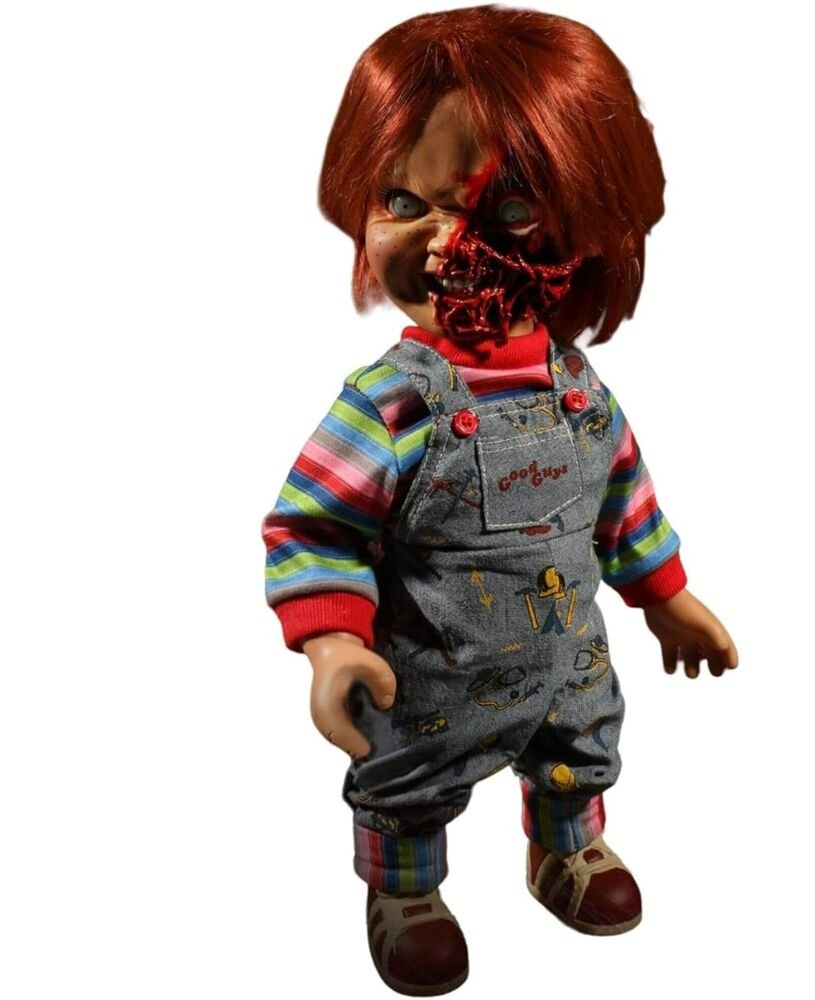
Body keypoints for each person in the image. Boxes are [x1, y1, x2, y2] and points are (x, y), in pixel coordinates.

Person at [262, 6, 738, 995]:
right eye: (402, 199)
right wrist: (332, 641)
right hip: (430, 668)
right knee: (405, 783)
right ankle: (406, 893)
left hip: (567, 652)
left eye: (505, 209)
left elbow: (620, 495)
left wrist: (665, 594)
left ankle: (566, 846)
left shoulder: (577, 387)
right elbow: (315, 525)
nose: (444, 246)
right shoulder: (390, 404)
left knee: (580, 746)